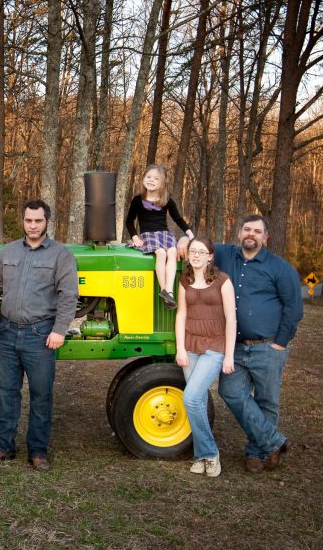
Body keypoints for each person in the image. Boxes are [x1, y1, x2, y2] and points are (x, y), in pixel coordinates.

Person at [0, 200, 78, 471]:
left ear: (47, 222)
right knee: (6, 392)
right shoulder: (7, 251)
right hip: (7, 332)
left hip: (40, 335)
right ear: (23, 221)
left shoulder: (60, 255)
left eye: (38, 221)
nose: (33, 226)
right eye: (29, 220)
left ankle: (38, 452)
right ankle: (3, 447)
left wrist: (59, 330)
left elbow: (68, 295)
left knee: (41, 395)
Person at [208, 215, 303, 474]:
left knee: (266, 400)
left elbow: (294, 308)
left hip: (268, 346)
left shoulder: (279, 268)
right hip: (234, 347)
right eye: (247, 229)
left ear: (265, 237)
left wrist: (281, 343)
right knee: (231, 393)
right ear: (239, 233)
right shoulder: (226, 255)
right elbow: (200, 246)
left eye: (257, 231)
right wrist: (184, 240)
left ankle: (257, 453)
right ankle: (274, 442)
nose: (251, 234)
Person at [174, 236, 236, 478]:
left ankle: (210, 453)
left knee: (190, 398)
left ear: (210, 256)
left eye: (201, 252)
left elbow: (231, 319)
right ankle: (202, 456)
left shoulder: (223, 281)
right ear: (188, 256)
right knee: (197, 401)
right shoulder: (185, 281)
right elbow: (181, 315)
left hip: (214, 346)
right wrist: (180, 348)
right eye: (193, 251)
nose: (196, 255)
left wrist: (228, 355)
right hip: (190, 344)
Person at [124, 163, 194, 310]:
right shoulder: (137, 200)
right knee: (161, 253)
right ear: (143, 179)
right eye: (148, 177)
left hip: (165, 234)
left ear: (162, 182)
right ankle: (163, 289)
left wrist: (189, 233)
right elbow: (129, 221)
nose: (151, 180)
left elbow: (178, 219)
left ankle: (168, 290)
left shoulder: (167, 199)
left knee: (173, 252)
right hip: (147, 235)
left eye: (156, 178)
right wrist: (135, 237)